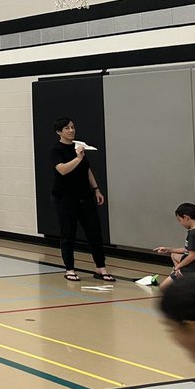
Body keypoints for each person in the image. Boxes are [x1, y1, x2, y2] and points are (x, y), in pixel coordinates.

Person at [50, 117, 115, 282]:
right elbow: (62, 170)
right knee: (68, 233)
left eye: (72, 127)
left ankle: (100, 268)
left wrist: (96, 189)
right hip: (65, 198)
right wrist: (77, 158)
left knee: (94, 232)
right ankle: (69, 269)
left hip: (84, 196)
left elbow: (86, 170)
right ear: (59, 131)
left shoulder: (80, 146)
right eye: (66, 128)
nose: (71, 130)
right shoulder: (56, 150)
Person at [154, 202, 195, 290]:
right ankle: (179, 276)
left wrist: (178, 267)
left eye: (180, 220)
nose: (180, 223)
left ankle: (181, 277)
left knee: (163, 288)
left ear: (186, 217)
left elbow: (192, 256)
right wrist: (169, 249)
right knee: (174, 255)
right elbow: (188, 249)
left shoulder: (193, 234)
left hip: (193, 269)